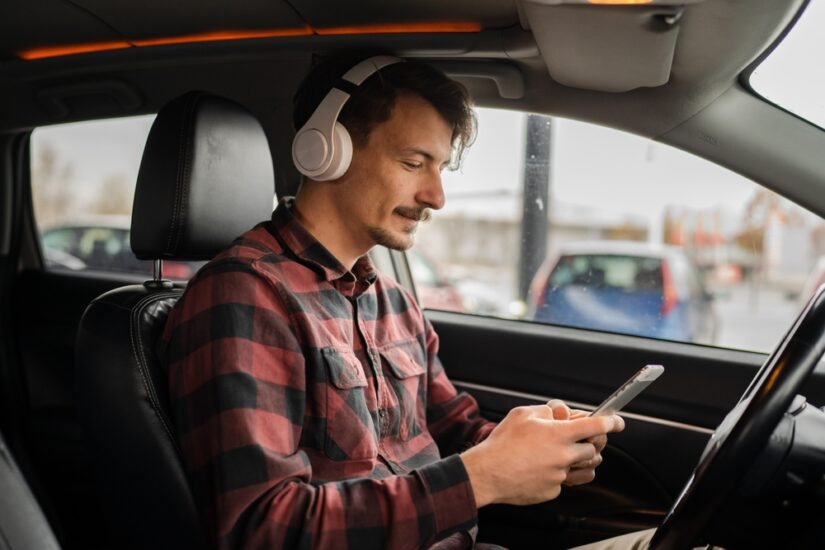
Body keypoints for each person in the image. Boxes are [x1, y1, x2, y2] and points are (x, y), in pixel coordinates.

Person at [160, 52, 628, 550]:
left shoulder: (393, 302)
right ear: (327, 150)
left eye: (441, 168)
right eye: (413, 163)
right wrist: (480, 480)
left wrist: (538, 446)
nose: (436, 196)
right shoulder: (247, 296)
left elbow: (455, 429)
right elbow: (265, 529)